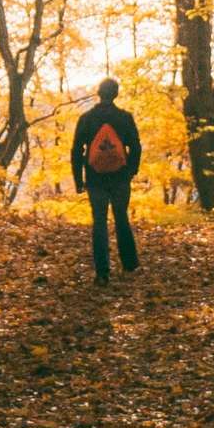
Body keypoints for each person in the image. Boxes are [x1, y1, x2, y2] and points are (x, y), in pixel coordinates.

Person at [70, 78, 142, 282]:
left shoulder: (86, 118)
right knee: (121, 217)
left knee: (99, 222)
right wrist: (131, 171)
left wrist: (78, 180)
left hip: (95, 179)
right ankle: (129, 265)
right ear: (116, 94)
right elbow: (135, 147)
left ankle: (102, 273)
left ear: (98, 93)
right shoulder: (124, 118)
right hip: (120, 177)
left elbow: (76, 150)